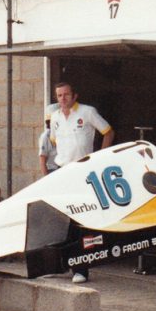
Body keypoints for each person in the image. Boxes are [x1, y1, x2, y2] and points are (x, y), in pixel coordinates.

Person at [49, 81, 114, 283]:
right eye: (59, 96)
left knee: (80, 221)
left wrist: (99, 158)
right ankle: (60, 265)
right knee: (61, 221)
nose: (62, 99)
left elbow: (108, 132)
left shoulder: (87, 112)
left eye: (66, 95)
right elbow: (54, 141)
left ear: (74, 95)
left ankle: (81, 269)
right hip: (63, 171)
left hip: (83, 171)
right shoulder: (55, 117)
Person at [38, 103, 60, 176]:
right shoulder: (45, 136)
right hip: (52, 171)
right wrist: (46, 178)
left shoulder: (63, 134)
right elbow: (42, 160)